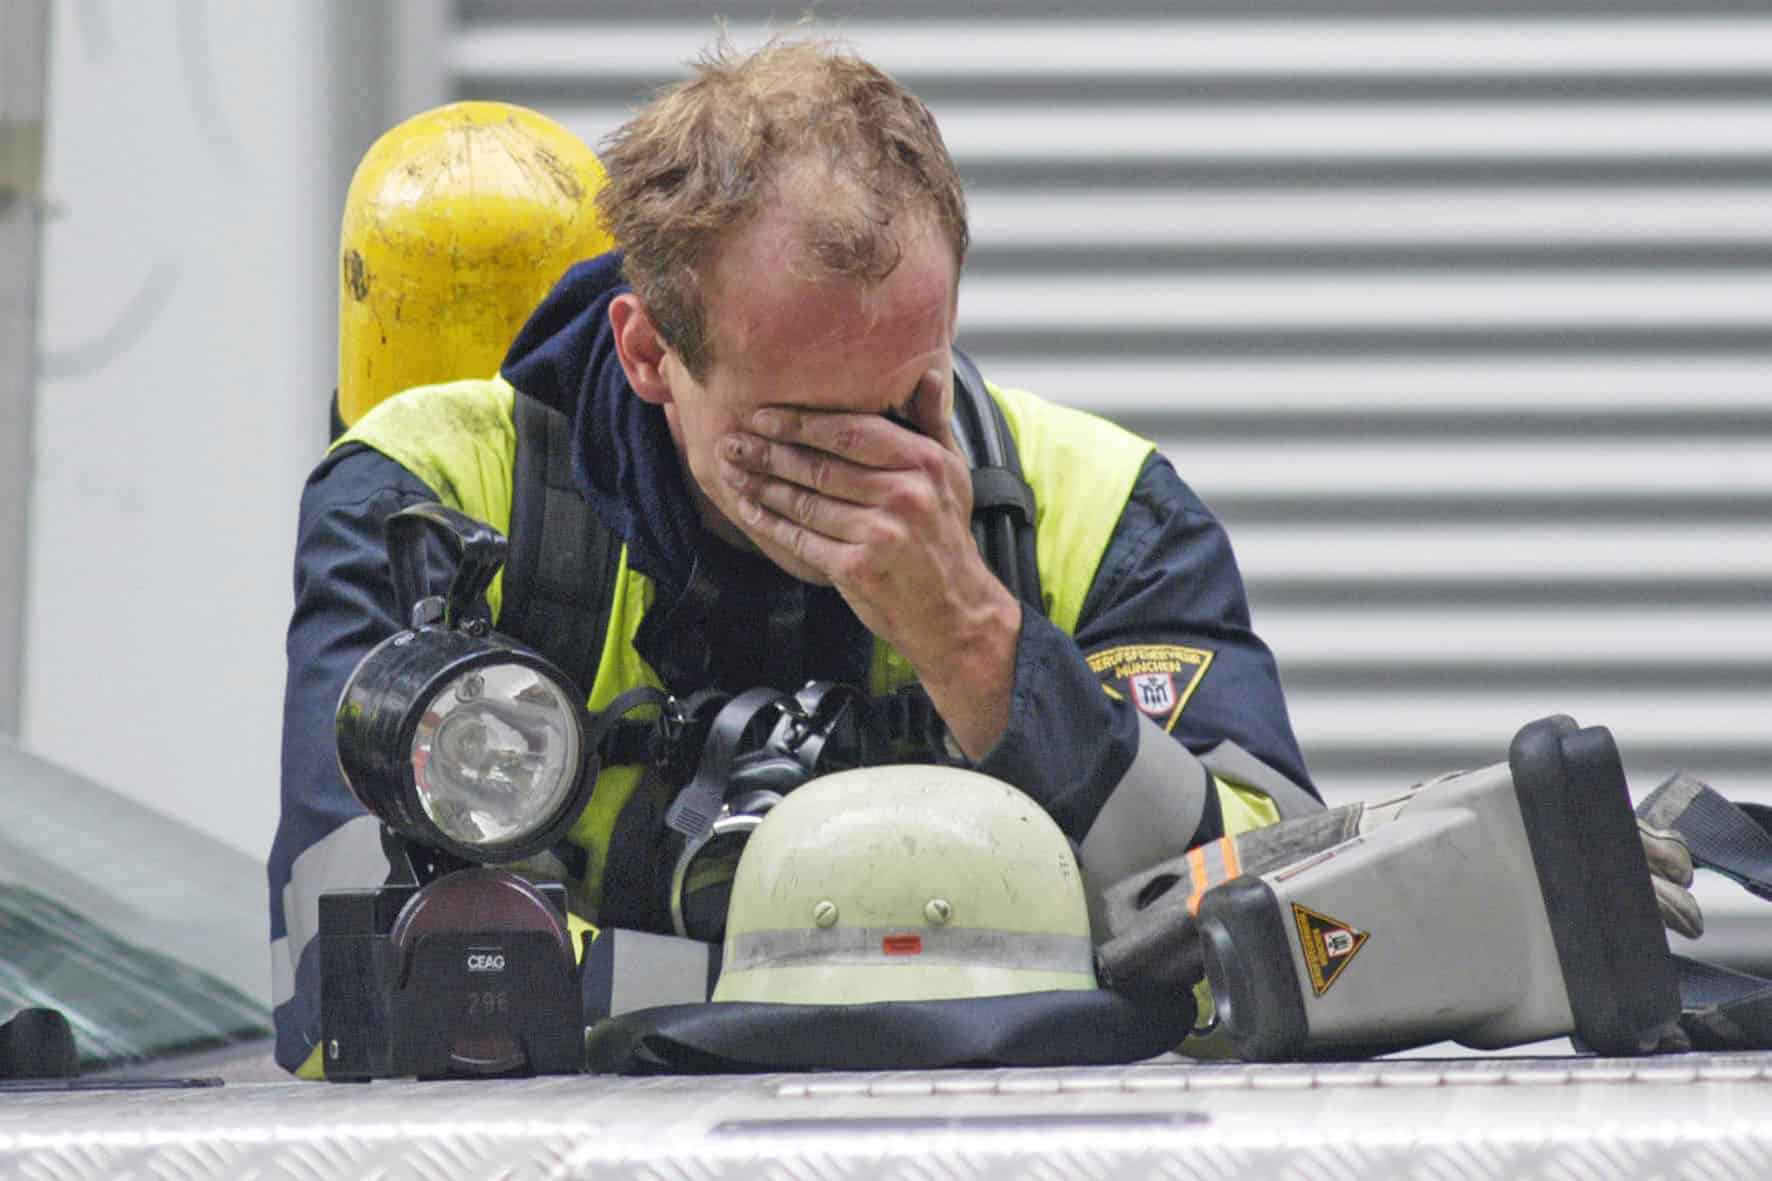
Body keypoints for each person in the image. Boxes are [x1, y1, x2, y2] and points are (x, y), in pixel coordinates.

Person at [267, 38, 1317, 1078]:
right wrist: (881, 979)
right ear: (648, 352)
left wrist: (980, 650)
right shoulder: (433, 496)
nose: (878, 475)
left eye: (907, 401)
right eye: (801, 430)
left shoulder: (1104, 505)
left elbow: (1303, 933)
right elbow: (347, 989)